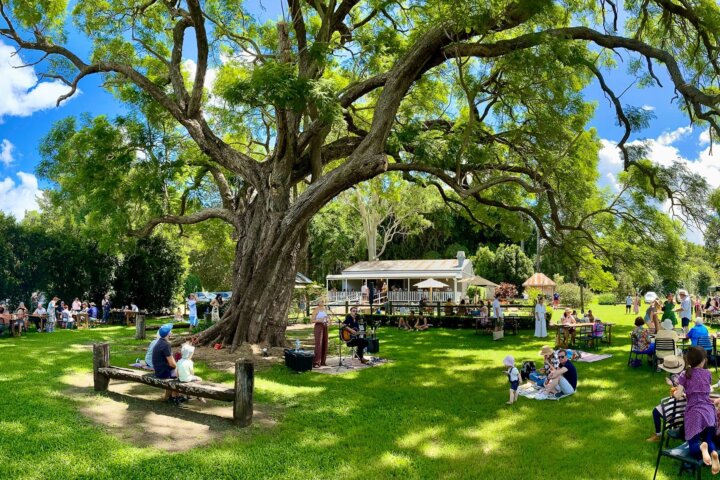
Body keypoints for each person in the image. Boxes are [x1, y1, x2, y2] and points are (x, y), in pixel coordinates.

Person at [673, 346, 720, 473]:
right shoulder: (708, 373)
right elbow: (703, 389)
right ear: (703, 361)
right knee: (709, 440)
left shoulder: (684, 374)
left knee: (693, 445)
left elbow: (678, 395)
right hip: (709, 412)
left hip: (694, 413)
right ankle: (713, 452)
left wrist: (677, 394)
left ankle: (701, 448)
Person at [647, 354, 684, 442]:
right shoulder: (684, 373)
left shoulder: (676, 376)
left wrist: (671, 385)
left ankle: (659, 435)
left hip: (679, 403)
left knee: (655, 412)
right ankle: (675, 427)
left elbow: (678, 393)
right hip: (685, 403)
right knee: (667, 411)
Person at [152, 323, 181, 404]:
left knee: (177, 372)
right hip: (163, 373)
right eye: (170, 331)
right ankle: (174, 397)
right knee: (181, 374)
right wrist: (178, 366)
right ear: (168, 334)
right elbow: (172, 364)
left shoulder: (159, 342)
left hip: (158, 370)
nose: (171, 332)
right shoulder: (166, 345)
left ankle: (168, 396)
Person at [311, 300, 330, 368]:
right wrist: (320, 320)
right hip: (318, 326)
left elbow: (327, 319)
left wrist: (328, 321)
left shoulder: (325, 310)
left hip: (325, 326)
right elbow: (312, 320)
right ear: (318, 303)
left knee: (325, 343)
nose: (323, 302)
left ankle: (323, 361)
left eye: (323, 301)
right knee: (319, 344)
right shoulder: (316, 310)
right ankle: (316, 362)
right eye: (321, 301)